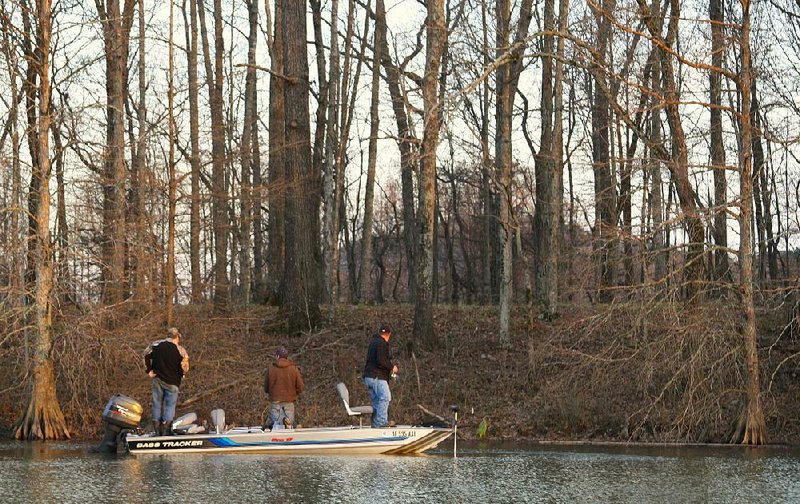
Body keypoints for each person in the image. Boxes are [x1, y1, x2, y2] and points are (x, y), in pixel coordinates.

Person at [144, 327, 189, 436]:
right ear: (177, 337)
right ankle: (166, 429)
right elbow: (185, 367)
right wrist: (182, 374)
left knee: (157, 404)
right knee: (170, 405)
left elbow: (145, 355)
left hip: (158, 379)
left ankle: (157, 430)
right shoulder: (180, 350)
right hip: (173, 382)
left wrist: (149, 370)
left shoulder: (155, 345)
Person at [363, 324, 398, 428]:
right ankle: (381, 423)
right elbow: (381, 360)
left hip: (368, 377)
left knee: (377, 401)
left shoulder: (373, 342)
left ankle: (375, 425)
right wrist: (392, 367)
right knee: (385, 397)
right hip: (376, 376)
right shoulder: (381, 343)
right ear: (389, 335)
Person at [264, 346, 305, 429]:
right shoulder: (294, 369)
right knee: (288, 429)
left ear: (277, 356)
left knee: (276, 428)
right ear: (287, 357)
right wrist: (294, 393)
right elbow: (300, 387)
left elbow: (266, 388)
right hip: (289, 402)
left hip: (275, 402)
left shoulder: (271, 369)